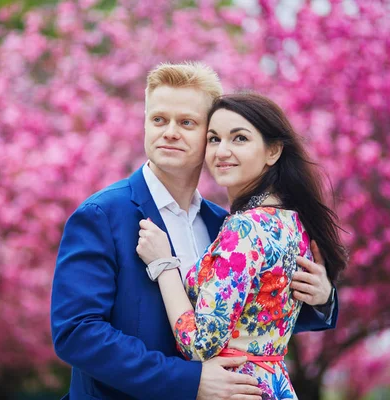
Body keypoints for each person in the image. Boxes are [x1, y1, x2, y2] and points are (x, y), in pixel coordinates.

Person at [51, 62, 338, 400]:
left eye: (187, 122)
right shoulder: (101, 216)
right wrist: (188, 380)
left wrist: (322, 298)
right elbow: (77, 333)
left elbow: (252, 320)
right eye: (159, 119)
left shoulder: (226, 226)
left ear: (208, 134)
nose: (170, 131)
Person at [136, 92, 348, 399]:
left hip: (234, 390)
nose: (222, 151)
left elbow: (199, 344)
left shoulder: (243, 228)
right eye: (213, 139)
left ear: (273, 150)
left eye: (239, 139)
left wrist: (164, 265)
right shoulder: (293, 223)